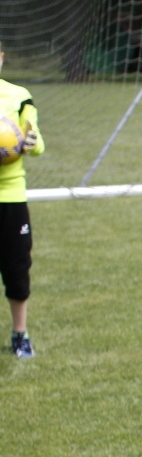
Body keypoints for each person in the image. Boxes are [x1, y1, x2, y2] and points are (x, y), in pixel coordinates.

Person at [0, 47, 45, 359]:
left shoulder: (19, 96)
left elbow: (37, 140)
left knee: (17, 268)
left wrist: (30, 142)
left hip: (11, 196)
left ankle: (20, 335)